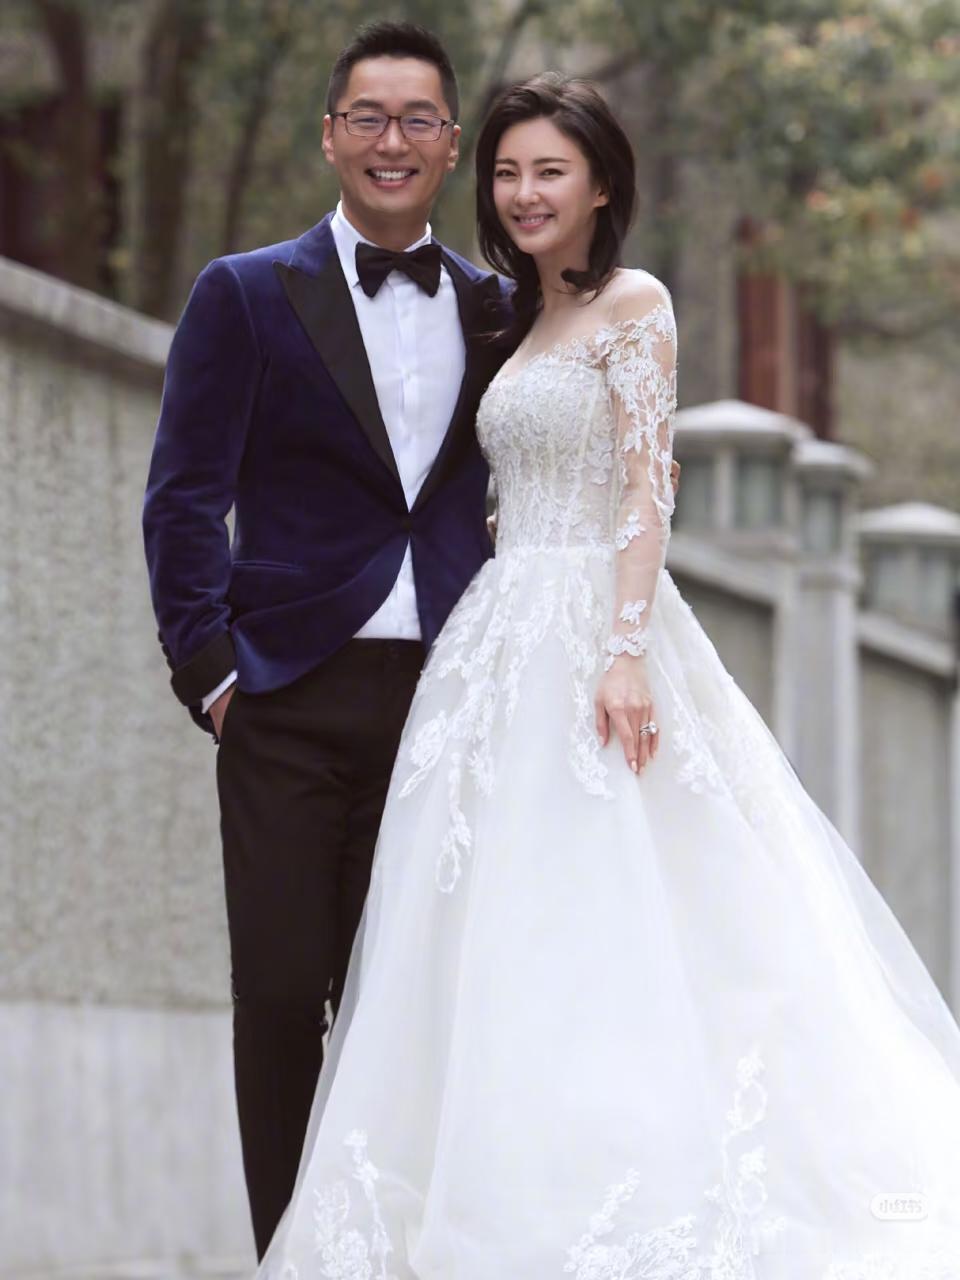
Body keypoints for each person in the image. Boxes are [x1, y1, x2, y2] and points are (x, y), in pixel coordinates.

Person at [254, 75, 960, 1278]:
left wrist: (624, 651)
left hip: (596, 629)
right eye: (507, 173)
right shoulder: (512, 318)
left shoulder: (637, 303)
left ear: (600, 187)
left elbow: (647, 484)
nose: (524, 194)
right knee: (488, 923)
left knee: (625, 906)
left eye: (551, 172)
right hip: (496, 635)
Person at [143, 21, 523, 1259]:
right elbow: (183, 495)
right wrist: (213, 675)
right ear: (329, 136)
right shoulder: (245, 292)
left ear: (452, 145)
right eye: (368, 116)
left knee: (406, 1003)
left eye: (418, 119)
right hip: (286, 696)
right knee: (277, 993)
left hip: (444, 698)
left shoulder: (500, 308)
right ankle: (284, 1254)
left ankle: (391, 1253)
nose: (391, 140)